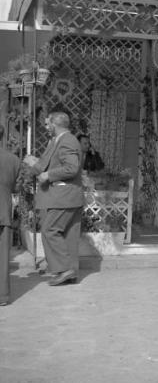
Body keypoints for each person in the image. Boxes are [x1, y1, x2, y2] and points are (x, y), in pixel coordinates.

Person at [23, 111, 83, 286]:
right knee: (68, 234)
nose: (45, 126)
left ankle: (65, 269)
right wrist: (36, 164)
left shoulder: (68, 141)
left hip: (63, 197)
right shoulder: (57, 141)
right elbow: (45, 165)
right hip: (64, 197)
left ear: (55, 124)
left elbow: (71, 168)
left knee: (50, 230)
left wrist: (49, 174)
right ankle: (70, 273)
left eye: (47, 123)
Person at [0, 125, 21, 306]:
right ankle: (3, 295)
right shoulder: (13, 160)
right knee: (3, 254)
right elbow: (15, 187)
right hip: (3, 208)